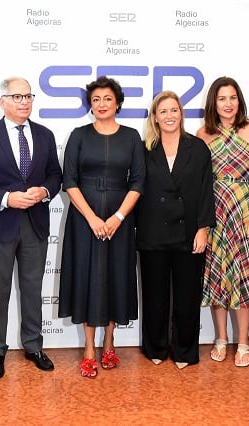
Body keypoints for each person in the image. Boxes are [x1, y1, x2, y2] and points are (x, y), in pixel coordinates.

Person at [0, 77, 62, 379]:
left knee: (33, 289)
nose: (24, 102)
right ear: (3, 101)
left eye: (28, 96)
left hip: (35, 223)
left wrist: (43, 192)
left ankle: (34, 346)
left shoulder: (45, 135)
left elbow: (55, 176)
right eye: (17, 96)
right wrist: (6, 198)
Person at [59, 76, 145, 378]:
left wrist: (118, 218)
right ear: (90, 105)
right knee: (88, 279)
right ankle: (89, 348)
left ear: (117, 102)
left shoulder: (133, 137)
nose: (101, 104)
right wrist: (93, 218)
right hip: (84, 221)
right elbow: (69, 180)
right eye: (96, 100)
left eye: (107, 99)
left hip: (120, 221)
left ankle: (110, 342)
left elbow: (138, 182)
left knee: (114, 279)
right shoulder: (79, 135)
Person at [136, 91, 215, 370]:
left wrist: (203, 228)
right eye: (163, 111)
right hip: (151, 233)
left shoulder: (197, 147)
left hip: (189, 233)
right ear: (155, 117)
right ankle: (155, 347)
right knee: (155, 297)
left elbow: (207, 192)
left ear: (181, 114)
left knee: (187, 298)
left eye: (174, 110)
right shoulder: (143, 148)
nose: (169, 116)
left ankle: (184, 351)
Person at [196, 76, 249, 368]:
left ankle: (243, 342)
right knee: (217, 277)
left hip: (245, 211)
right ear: (214, 102)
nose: (228, 104)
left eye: (233, 98)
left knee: (243, 277)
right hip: (214, 212)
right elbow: (199, 180)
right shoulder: (203, 133)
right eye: (222, 98)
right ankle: (221, 338)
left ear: (240, 101)